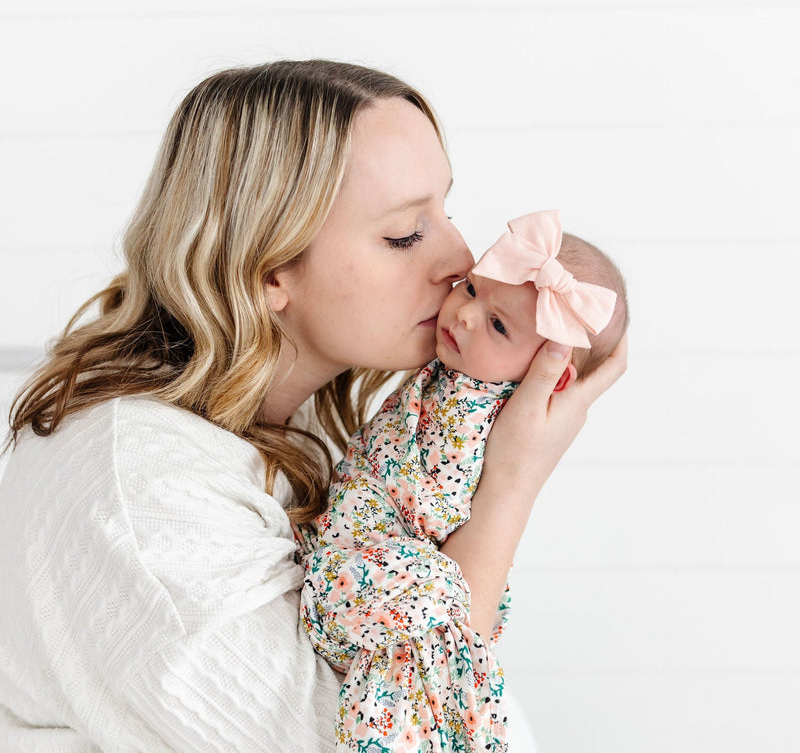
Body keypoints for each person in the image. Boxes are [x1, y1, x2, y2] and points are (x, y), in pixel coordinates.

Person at [0, 60, 627, 753]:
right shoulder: (145, 506)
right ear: (268, 270)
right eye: (403, 233)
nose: (462, 258)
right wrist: (511, 488)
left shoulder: (302, 431)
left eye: (446, 211)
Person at [300, 209, 628, 752]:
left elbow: (439, 508)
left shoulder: (478, 408)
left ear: (551, 372)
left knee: (415, 678)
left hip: (390, 563)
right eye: (472, 287)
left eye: (499, 325)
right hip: (361, 542)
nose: (466, 315)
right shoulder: (460, 371)